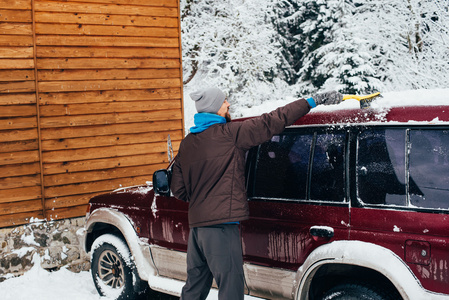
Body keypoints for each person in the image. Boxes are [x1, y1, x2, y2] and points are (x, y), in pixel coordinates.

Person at [170, 87, 343, 300]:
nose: (228, 104)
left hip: (197, 230)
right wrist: (311, 101)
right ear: (214, 108)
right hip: (222, 228)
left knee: (194, 289)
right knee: (230, 290)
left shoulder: (187, 143)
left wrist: (204, 198)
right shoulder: (231, 134)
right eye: (225, 101)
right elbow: (272, 121)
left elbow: (178, 189)